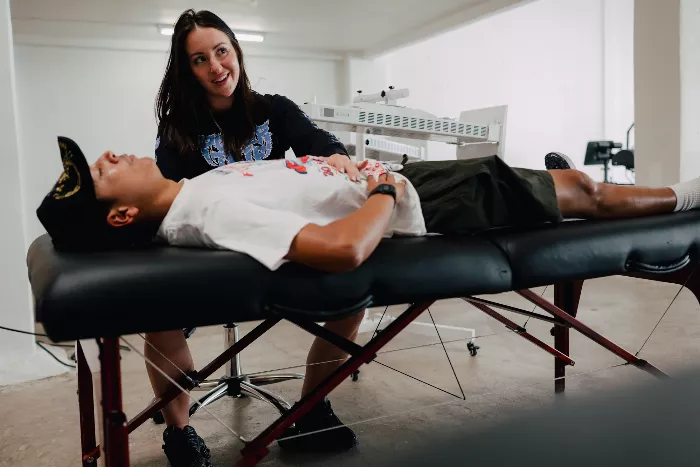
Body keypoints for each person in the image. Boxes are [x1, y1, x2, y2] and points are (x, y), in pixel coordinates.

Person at [37, 135, 698, 463]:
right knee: (580, 189)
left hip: (398, 182)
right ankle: (688, 202)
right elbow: (341, 248)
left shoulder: (196, 193)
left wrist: (343, 165)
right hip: (420, 196)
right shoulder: (211, 210)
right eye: (103, 170)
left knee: (568, 187)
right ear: (122, 216)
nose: (113, 153)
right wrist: (386, 186)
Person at [141, 7, 366, 465]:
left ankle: (311, 412)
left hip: (276, 242)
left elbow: (317, 140)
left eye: (221, 51)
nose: (216, 66)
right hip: (211, 255)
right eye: (199, 60)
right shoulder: (178, 128)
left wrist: (338, 155)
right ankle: (179, 432)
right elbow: (167, 193)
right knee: (157, 315)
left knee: (353, 297)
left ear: (236, 52)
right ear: (188, 70)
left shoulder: (274, 109)